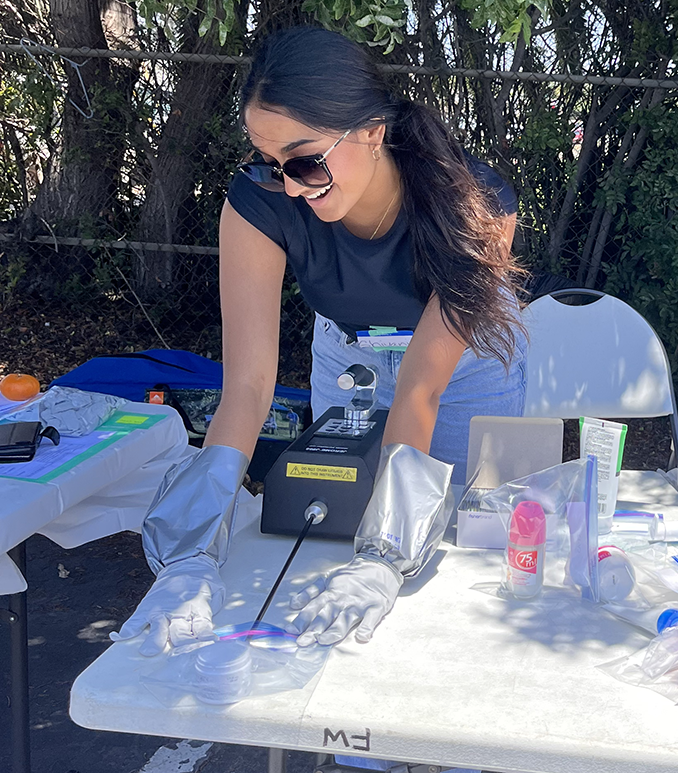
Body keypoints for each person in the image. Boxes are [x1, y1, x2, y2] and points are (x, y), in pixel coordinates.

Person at [112, 26, 527, 656]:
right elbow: (248, 387)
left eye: (306, 161)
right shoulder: (261, 202)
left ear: (370, 131)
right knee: (333, 519)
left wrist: (382, 560)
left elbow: (422, 388)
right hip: (349, 351)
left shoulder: (480, 206)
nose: (292, 186)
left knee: (457, 546)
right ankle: (361, 743)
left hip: (465, 365)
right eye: (268, 163)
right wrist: (188, 555)